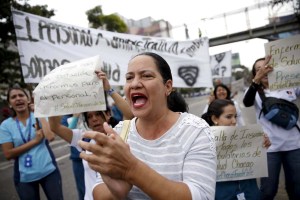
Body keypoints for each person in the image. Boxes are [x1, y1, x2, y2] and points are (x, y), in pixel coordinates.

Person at [78, 52, 217, 199]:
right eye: (129, 78)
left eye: (146, 76)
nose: (135, 84)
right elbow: (98, 191)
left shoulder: (196, 130)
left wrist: (132, 170)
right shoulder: (118, 133)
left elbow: (200, 195)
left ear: (168, 86)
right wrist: (116, 191)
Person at [49, 70, 134, 200]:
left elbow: (130, 114)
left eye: (98, 114)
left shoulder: (119, 132)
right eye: (89, 116)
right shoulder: (83, 137)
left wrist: (109, 90)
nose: (94, 119)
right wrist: (60, 97)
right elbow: (55, 127)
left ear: (108, 114)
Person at [243, 55, 300, 200]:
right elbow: (247, 102)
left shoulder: (289, 86)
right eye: (259, 69)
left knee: (296, 189)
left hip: (294, 145)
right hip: (270, 148)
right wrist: (256, 81)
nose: (264, 71)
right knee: (268, 190)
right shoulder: (254, 91)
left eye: (266, 67)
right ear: (255, 74)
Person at [0, 86, 64, 200]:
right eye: (14, 97)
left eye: (21, 95)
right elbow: (8, 154)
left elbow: (50, 136)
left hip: (49, 171)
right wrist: (35, 141)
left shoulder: (38, 115)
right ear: (10, 103)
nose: (18, 99)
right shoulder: (5, 126)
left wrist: (39, 113)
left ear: (28, 99)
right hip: (24, 178)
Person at [202, 99, 271, 200]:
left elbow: (254, 162)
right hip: (223, 194)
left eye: (235, 116)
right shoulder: (202, 142)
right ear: (214, 119)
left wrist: (262, 145)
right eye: (228, 117)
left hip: (249, 192)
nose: (234, 121)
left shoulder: (246, 136)